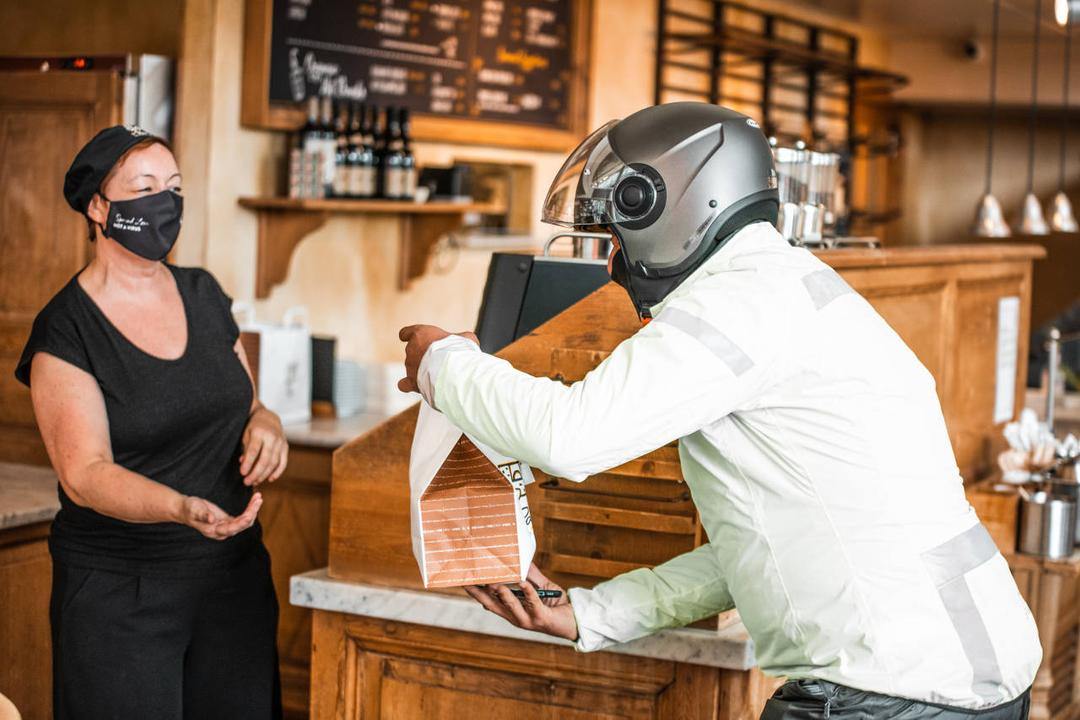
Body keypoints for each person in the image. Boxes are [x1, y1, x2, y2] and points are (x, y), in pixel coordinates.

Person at [399, 103, 1041, 719]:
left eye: (617, 236)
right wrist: (593, 614)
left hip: (883, 695)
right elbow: (755, 541)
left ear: (670, 207)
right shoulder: (797, 287)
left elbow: (568, 437)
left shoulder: (736, 303)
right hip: (974, 680)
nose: (616, 262)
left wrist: (443, 362)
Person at [15, 125, 287, 720]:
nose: (165, 201)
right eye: (145, 187)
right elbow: (85, 473)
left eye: (175, 186)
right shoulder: (67, 330)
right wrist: (180, 507)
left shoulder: (202, 292)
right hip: (122, 594)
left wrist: (268, 424)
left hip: (232, 581)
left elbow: (247, 403)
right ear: (97, 206)